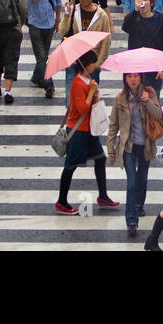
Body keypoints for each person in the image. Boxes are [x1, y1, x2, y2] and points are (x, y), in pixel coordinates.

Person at [55, 50, 119, 214]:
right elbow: (82, 108)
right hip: (78, 131)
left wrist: (94, 94)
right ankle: (62, 201)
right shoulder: (77, 83)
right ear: (86, 64)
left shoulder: (87, 80)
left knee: (100, 159)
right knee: (70, 165)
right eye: (93, 63)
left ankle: (103, 196)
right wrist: (91, 92)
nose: (96, 66)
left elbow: (89, 105)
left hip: (89, 129)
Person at [106, 71, 163, 237]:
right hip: (128, 146)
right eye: (129, 76)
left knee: (142, 179)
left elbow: (158, 115)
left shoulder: (150, 93)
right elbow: (113, 125)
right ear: (125, 78)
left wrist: (148, 102)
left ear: (141, 78)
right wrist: (111, 148)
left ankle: (139, 204)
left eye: (136, 76)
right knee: (132, 182)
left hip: (145, 144)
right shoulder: (120, 99)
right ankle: (131, 221)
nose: (133, 79)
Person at [119, 0, 163, 96]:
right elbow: (125, 27)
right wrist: (135, 11)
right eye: (139, 0)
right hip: (135, 67)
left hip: (154, 67)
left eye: (145, 0)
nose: (142, 3)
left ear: (151, 3)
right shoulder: (134, 17)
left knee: (152, 103)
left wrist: (162, 68)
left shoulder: (160, 19)